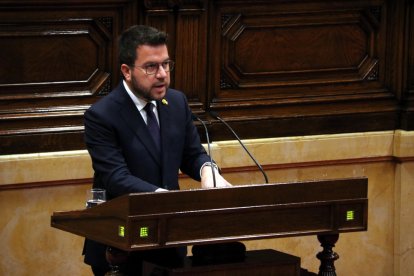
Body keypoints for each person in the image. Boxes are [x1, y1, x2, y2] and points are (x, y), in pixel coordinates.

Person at [82, 25, 232, 275]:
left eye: (166, 64)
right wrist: (165, 198)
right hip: (121, 246)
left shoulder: (176, 102)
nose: (162, 74)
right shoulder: (102, 116)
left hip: (169, 242)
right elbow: (115, 177)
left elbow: (192, 154)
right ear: (127, 71)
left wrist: (208, 170)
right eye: (151, 67)